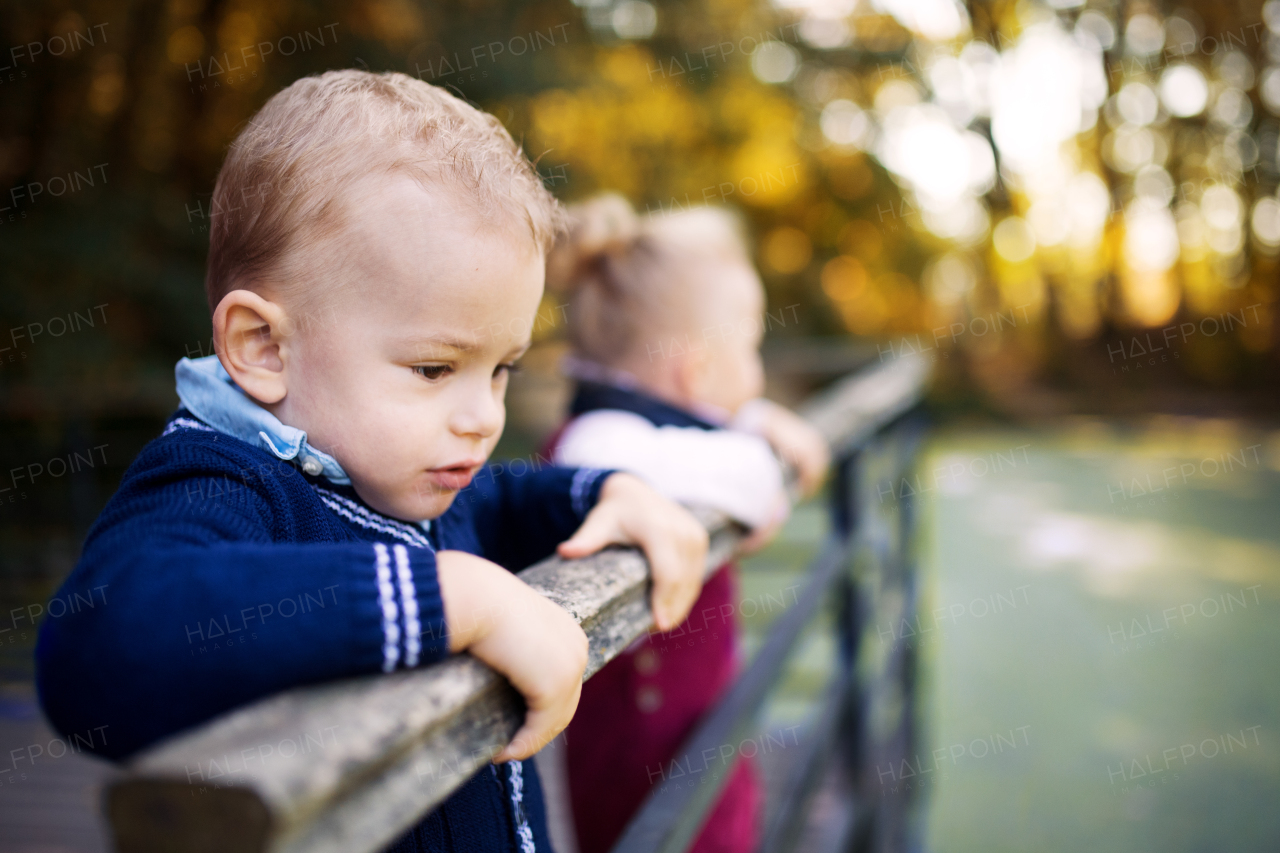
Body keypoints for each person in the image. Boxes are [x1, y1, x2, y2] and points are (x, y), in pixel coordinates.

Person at [33, 71, 709, 853]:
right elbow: (103, 643)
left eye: (502, 369)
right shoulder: (224, 483)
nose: (483, 416)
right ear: (263, 347)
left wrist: (612, 492)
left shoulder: (412, 474)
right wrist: (453, 599)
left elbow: (508, 500)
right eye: (433, 368)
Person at [543, 195, 830, 853]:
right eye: (751, 348)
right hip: (648, 779)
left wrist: (749, 416)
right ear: (696, 370)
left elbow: (710, 439)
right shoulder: (599, 439)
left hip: (700, 741)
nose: (756, 378)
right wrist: (759, 435)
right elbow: (755, 482)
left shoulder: (653, 431)